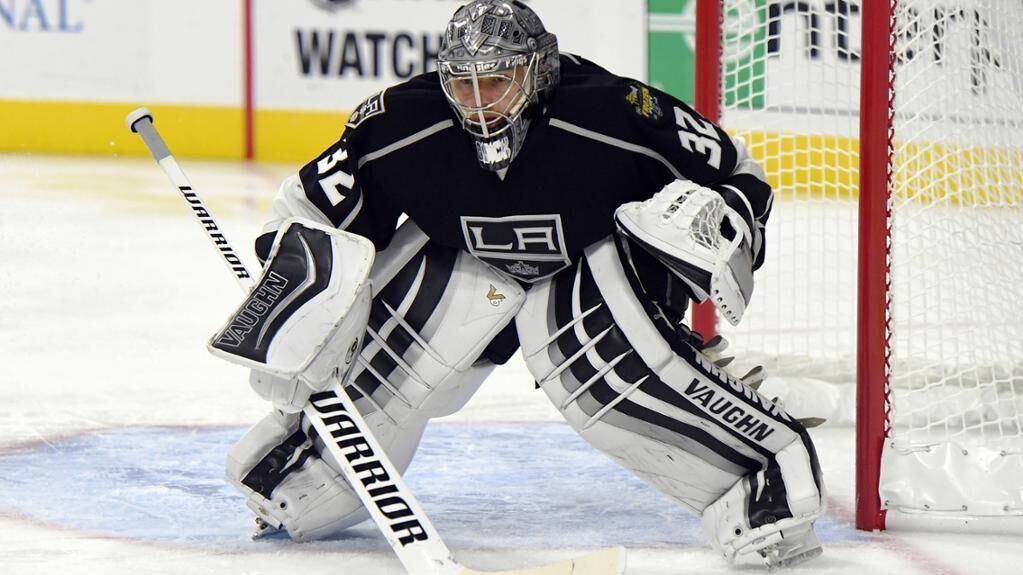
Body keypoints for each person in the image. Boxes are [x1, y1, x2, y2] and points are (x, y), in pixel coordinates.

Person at [218, 0, 824, 569]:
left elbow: (736, 171)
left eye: (497, 81)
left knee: (599, 365)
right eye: (464, 84)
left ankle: (762, 471)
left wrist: (716, 220)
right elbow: (308, 215)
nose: (479, 102)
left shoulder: (614, 112)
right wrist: (291, 304)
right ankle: (308, 470)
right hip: (463, 263)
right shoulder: (401, 123)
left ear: (539, 71)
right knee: (372, 387)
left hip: (592, 267)